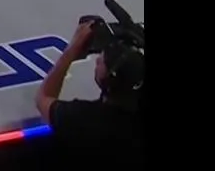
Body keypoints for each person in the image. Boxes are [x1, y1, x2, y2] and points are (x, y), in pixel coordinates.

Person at [36, 22, 144, 170]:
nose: (98, 60)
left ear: (108, 80)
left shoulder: (83, 120)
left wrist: (71, 51)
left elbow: (43, 97)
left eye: (102, 62)